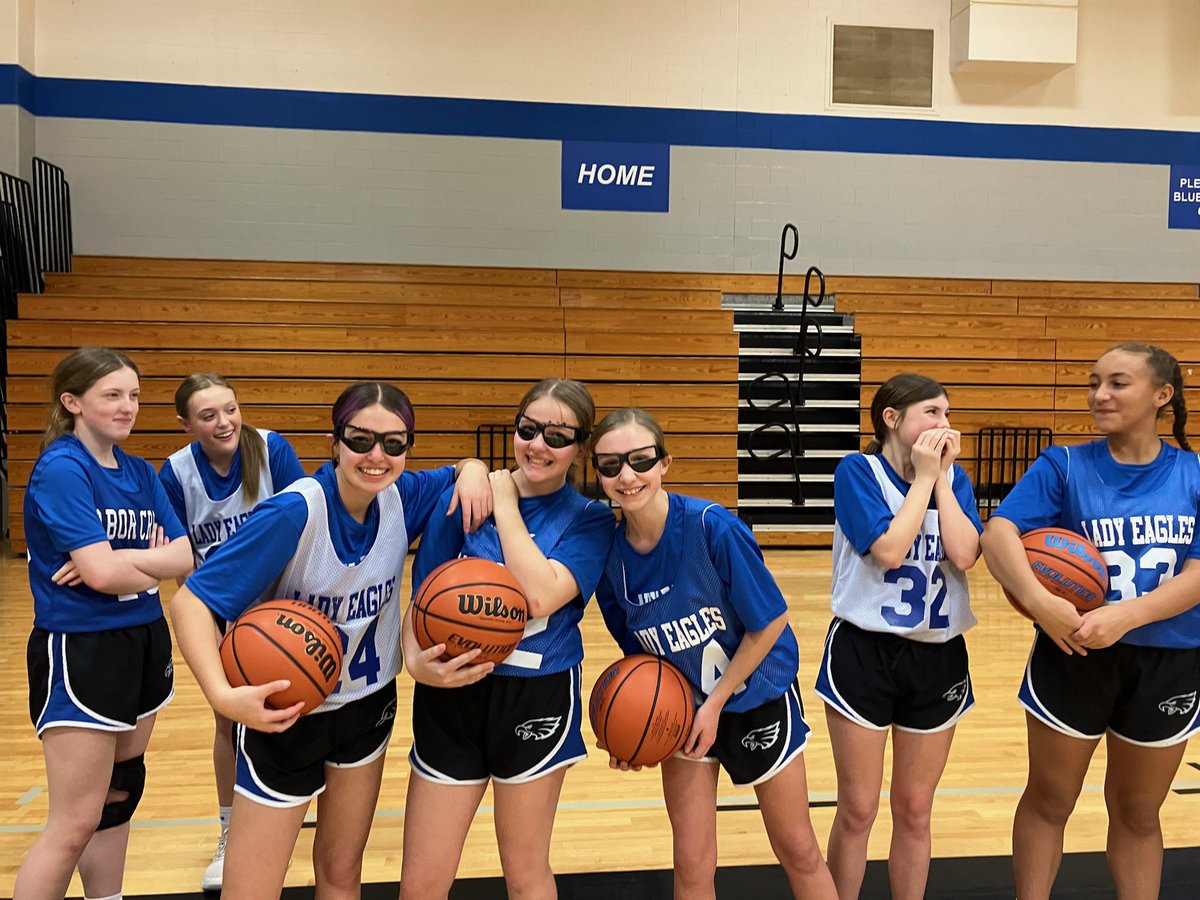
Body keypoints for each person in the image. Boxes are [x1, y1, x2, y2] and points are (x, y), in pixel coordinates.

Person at [171, 381, 492, 899]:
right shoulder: (293, 512)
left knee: (341, 876)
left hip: (367, 708)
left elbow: (460, 470)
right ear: (334, 442)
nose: (377, 456)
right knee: (250, 890)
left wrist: (473, 468)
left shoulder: (403, 495)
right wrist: (221, 695)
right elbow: (191, 602)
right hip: (286, 715)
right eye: (361, 440)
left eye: (394, 443)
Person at [981, 343, 1200, 900]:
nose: (1100, 394)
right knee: (1050, 799)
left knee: (1138, 812)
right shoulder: (1063, 465)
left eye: (1118, 383)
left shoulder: (1194, 473)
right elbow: (998, 534)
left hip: (1168, 661)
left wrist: (1125, 615)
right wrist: (1039, 601)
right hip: (1073, 654)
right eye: (1094, 382)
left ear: (1162, 394)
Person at [591, 407, 837, 900]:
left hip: (754, 697)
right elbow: (642, 662)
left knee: (798, 849)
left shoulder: (712, 527)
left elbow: (770, 622)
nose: (627, 476)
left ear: (665, 463)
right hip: (685, 710)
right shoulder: (611, 558)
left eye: (640, 460)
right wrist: (630, 729)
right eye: (611, 465)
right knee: (691, 863)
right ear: (597, 474)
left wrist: (716, 702)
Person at [399, 377, 616, 900]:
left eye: (557, 437)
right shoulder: (462, 498)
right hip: (452, 693)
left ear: (580, 450)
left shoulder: (591, 520)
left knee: (525, 876)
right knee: (421, 882)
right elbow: (422, 597)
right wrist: (412, 660)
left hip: (535, 694)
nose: (538, 445)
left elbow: (538, 597)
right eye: (528, 429)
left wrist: (503, 498)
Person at [14, 346, 194, 900]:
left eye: (133, 395)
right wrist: (141, 562)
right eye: (112, 395)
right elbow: (99, 574)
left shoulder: (140, 470)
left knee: (120, 794)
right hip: (81, 647)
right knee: (73, 823)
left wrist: (124, 561)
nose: (127, 406)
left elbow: (184, 556)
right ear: (72, 402)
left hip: (143, 637)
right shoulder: (62, 469)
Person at [815, 374, 982, 900]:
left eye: (947, 413)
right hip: (865, 652)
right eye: (931, 413)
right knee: (858, 808)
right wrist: (924, 479)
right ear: (892, 418)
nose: (944, 424)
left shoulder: (954, 480)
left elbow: (964, 555)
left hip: (938, 655)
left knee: (915, 809)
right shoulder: (857, 471)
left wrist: (941, 479)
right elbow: (889, 550)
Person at [159, 372, 305, 892]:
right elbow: (184, 567)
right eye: (208, 415)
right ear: (186, 424)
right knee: (228, 719)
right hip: (223, 611)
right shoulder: (176, 473)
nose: (224, 422)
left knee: (304, 706)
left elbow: (306, 520)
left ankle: (294, 799)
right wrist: (211, 625)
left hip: (283, 608)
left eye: (230, 409)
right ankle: (230, 829)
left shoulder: (271, 449)